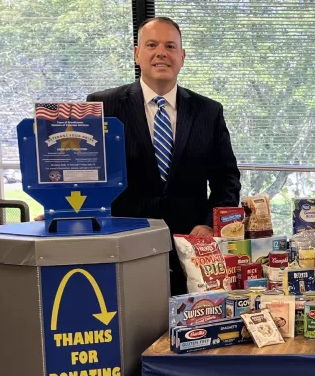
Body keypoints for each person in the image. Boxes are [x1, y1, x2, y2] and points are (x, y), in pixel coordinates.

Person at [89, 17, 241, 294]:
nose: (161, 52)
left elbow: (226, 180)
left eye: (170, 46)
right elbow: (87, 175)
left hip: (189, 252)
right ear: (137, 54)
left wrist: (209, 225)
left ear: (182, 57)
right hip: (125, 248)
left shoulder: (209, 111)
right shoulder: (102, 106)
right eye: (152, 45)